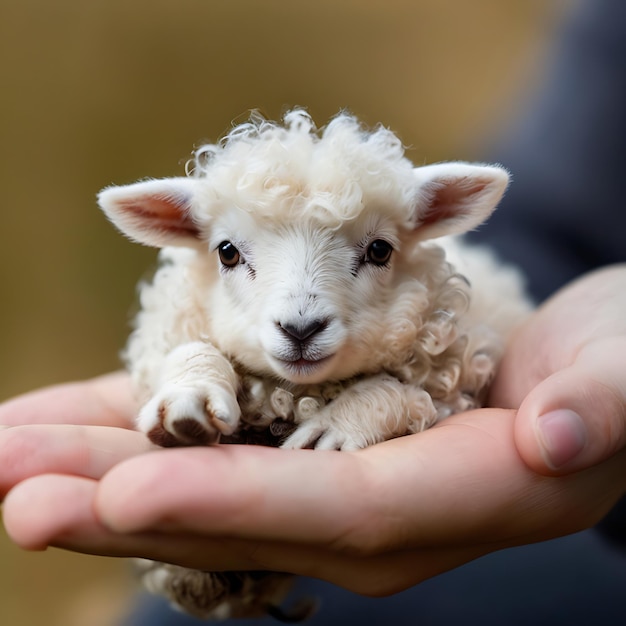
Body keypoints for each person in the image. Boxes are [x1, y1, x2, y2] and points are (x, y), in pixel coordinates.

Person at [1, 1, 626, 624]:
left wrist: (391, 400)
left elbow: (460, 364)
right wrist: (193, 369)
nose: (301, 311)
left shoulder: (440, 319)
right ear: (180, 229)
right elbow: (555, 226)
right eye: (231, 252)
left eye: (376, 249)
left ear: (419, 229)